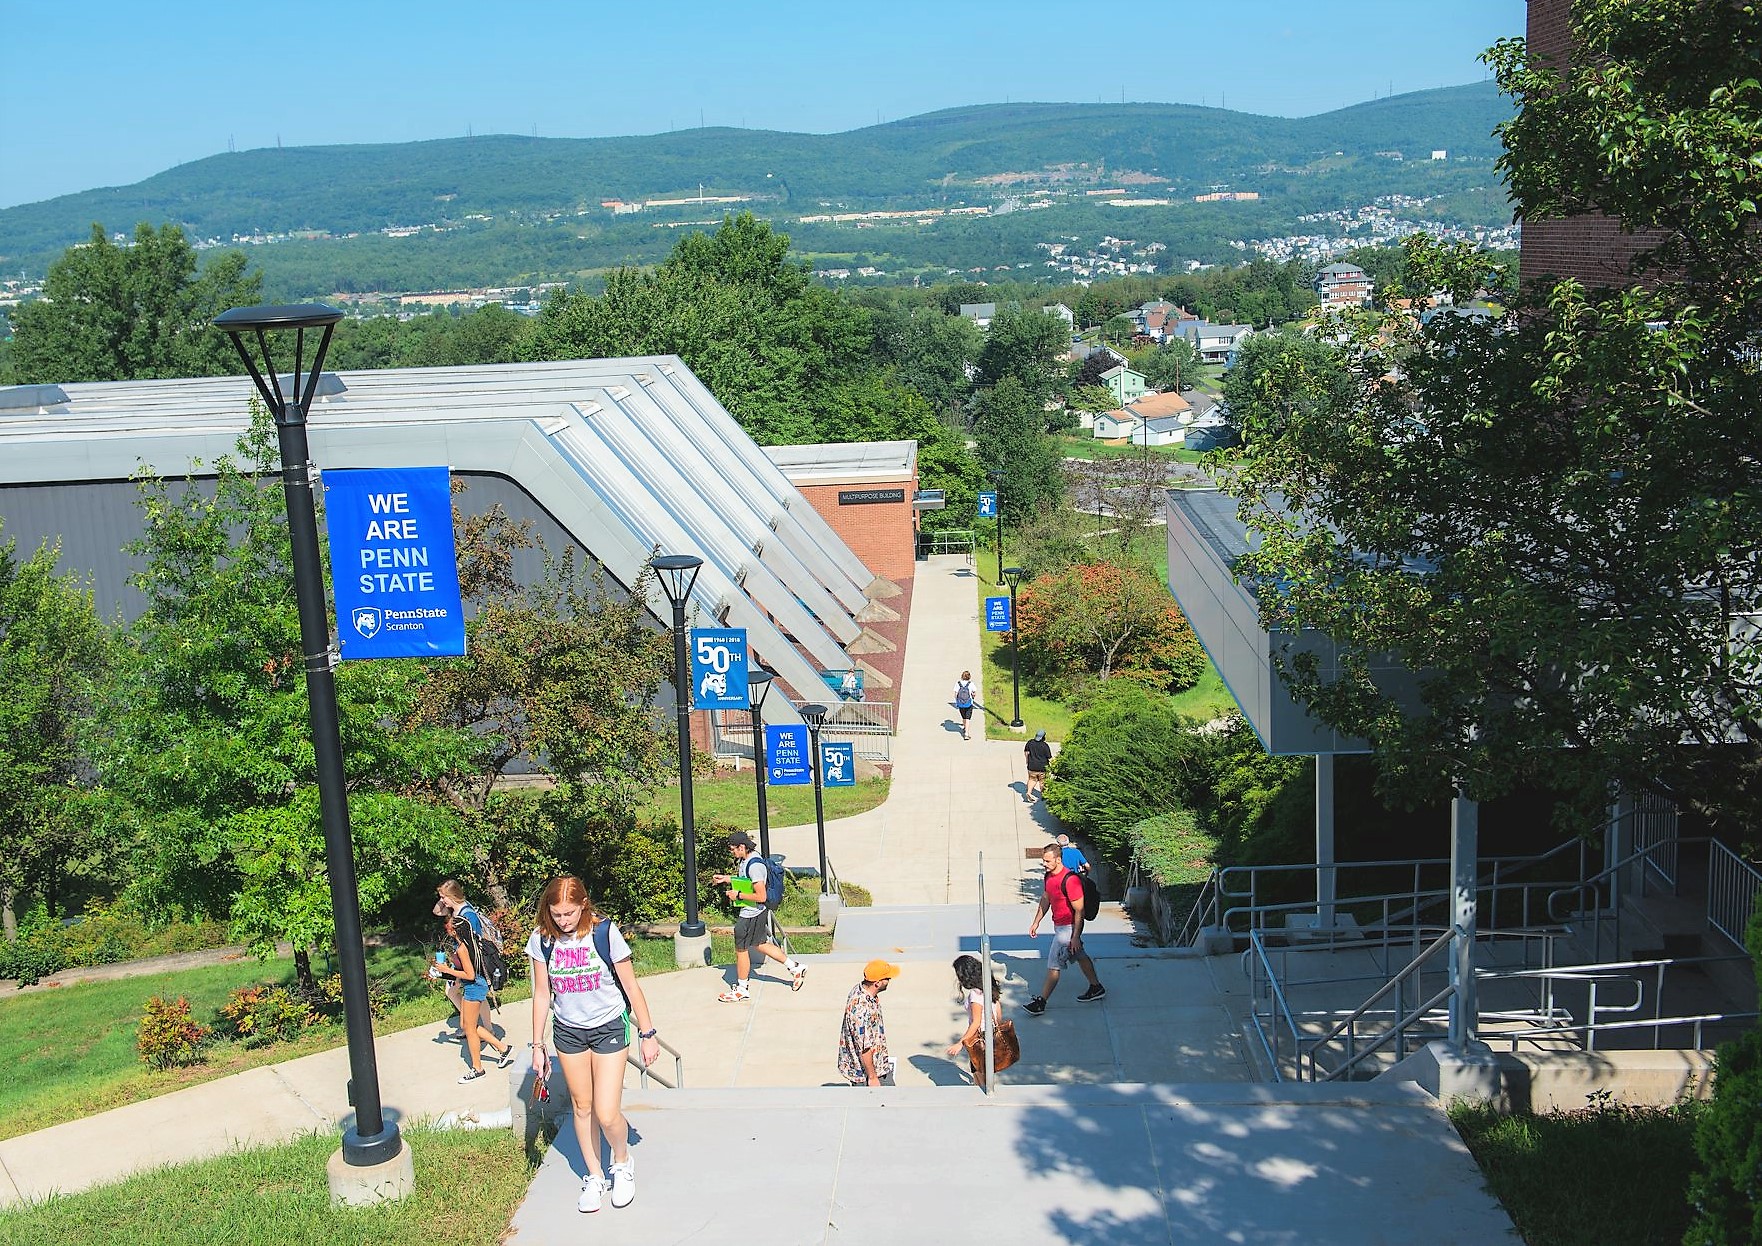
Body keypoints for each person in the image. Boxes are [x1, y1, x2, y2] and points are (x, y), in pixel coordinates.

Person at [528, 876, 662, 1215]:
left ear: (583, 905)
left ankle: (621, 1162)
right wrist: (536, 1044)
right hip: (569, 1031)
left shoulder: (603, 933)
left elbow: (631, 987)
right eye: (557, 914)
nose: (563, 920)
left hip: (608, 1028)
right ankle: (594, 1175)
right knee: (581, 1106)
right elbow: (542, 994)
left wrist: (648, 1034)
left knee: (605, 1111)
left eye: (570, 913)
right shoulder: (542, 940)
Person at [710, 831, 807, 1002]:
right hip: (754, 913)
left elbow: (761, 896)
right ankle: (795, 968)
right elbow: (745, 881)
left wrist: (737, 895)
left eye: (733, 849)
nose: (731, 852)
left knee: (741, 950)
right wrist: (726, 879)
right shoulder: (747, 859)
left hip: (750, 914)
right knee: (760, 944)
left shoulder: (754, 866)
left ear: (742, 847)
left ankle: (741, 989)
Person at [1023, 842, 1105, 1015]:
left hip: (1067, 930)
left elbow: (1079, 910)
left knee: (1054, 965)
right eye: (1043, 861)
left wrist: (1075, 936)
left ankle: (1041, 1002)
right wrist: (1036, 921)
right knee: (1080, 955)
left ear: (1058, 860)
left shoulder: (1070, 880)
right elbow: (1046, 898)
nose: (1044, 864)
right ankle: (1096, 987)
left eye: (1047, 861)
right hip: (1059, 926)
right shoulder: (1048, 877)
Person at [435, 915, 513, 1082]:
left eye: (448, 926)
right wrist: (444, 973)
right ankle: (503, 1048)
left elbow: (469, 974)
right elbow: (464, 969)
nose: (446, 928)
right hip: (472, 985)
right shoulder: (462, 943)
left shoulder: (463, 948)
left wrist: (447, 970)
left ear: (455, 930)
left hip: (474, 987)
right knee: (466, 1025)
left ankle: (478, 1069)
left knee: (470, 1030)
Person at [945, 954, 1016, 1089]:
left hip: (979, 1039)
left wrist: (960, 1043)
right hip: (990, 1036)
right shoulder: (989, 986)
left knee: (979, 1073)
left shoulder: (975, 995)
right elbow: (998, 1009)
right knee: (982, 1072)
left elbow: (976, 1022)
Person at [433, 879, 490, 1041]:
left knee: (477, 995)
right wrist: (443, 895)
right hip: (459, 960)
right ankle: (471, 1026)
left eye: (444, 897)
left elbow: (471, 945)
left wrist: (459, 974)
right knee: (453, 991)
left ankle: (482, 1028)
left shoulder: (467, 914)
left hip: (469, 963)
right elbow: (437, 911)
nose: (442, 901)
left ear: (453, 896)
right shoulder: (454, 910)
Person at [838, 959, 899, 1086]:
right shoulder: (861, 1010)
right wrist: (872, 1077)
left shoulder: (861, 989)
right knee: (889, 1101)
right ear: (877, 983)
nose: (889, 981)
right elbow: (865, 1048)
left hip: (877, 1064)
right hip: (868, 1073)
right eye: (887, 978)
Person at [1024, 729, 1053, 802]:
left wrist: (1027, 761)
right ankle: (1044, 795)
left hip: (1032, 767)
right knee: (1042, 781)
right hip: (1042, 768)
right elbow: (1049, 757)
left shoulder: (1030, 743)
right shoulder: (1044, 745)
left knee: (1032, 779)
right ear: (1043, 737)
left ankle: (1029, 792)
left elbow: (1026, 753)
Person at [952, 670, 978, 740]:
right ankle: (966, 733)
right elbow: (974, 692)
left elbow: (955, 694)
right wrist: (973, 696)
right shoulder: (971, 684)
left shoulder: (958, 683)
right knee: (967, 718)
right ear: (969, 677)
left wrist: (957, 701)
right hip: (969, 703)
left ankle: (964, 727)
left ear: (962, 676)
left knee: (963, 717)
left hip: (960, 703)